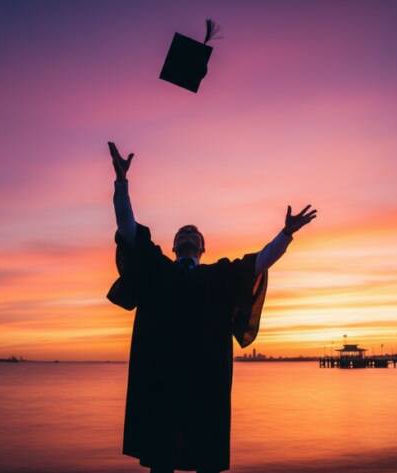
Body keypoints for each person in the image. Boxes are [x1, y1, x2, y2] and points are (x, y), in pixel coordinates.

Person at [106, 142, 316, 473]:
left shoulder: (220, 276)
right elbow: (128, 228)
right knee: (162, 463)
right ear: (175, 246)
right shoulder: (157, 270)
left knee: (206, 459)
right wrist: (121, 182)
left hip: (206, 385)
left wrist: (286, 234)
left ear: (203, 247)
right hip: (163, 383)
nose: (188, 235)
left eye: (194, 234)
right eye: (183, 233)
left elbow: (258, 263)